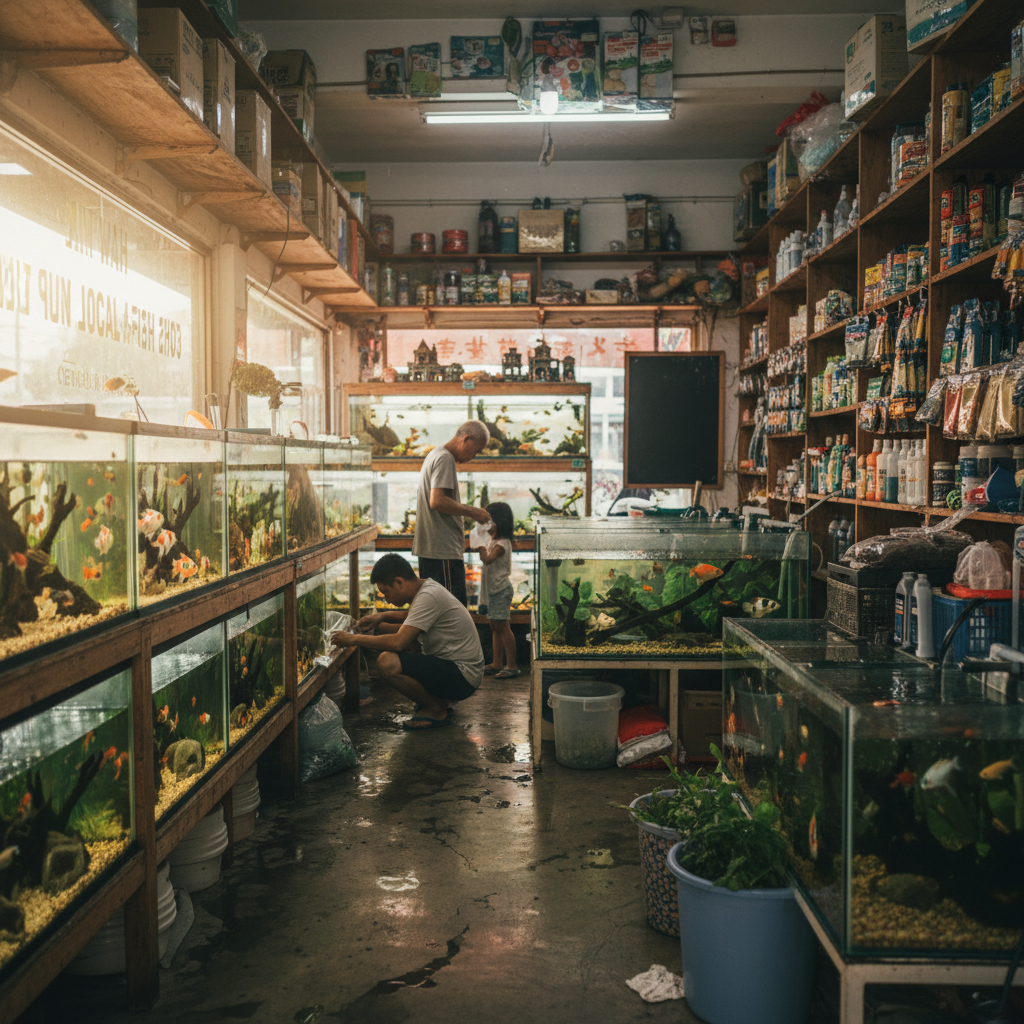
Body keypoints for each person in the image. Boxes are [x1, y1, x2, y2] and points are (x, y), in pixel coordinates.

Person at [332, 553, 483, 731]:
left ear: (399, 582)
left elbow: (398, 642)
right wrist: (379, 623)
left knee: (387, 661)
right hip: (460, 672)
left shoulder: (428, 596)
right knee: (409, 645)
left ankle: (435, 709)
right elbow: (409, 624)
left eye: (386, 592)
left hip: (462, 677)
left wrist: (353, 639)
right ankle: (438, 700)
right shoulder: (427, 589)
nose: (386, 599)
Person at [412, 420, 491, 606]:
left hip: (435, 553)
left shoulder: (435, 454)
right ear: (466, 438)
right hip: (442, 554)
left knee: (437, 612)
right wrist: (474, 512)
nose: (474, 457)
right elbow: (437, 501)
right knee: (451, 613)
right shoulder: (445, 458)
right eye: (476, 450)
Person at [476, 501, 519, 679]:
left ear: (498, 521)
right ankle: (496, 663)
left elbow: (487, 559)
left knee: (503, 626)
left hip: (501, 590)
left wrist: (479, 546)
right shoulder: (494, 539)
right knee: (494, 626)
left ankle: (512, 665)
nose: (486, 524)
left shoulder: (501, 544)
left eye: (489, 520)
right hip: (494, 590)